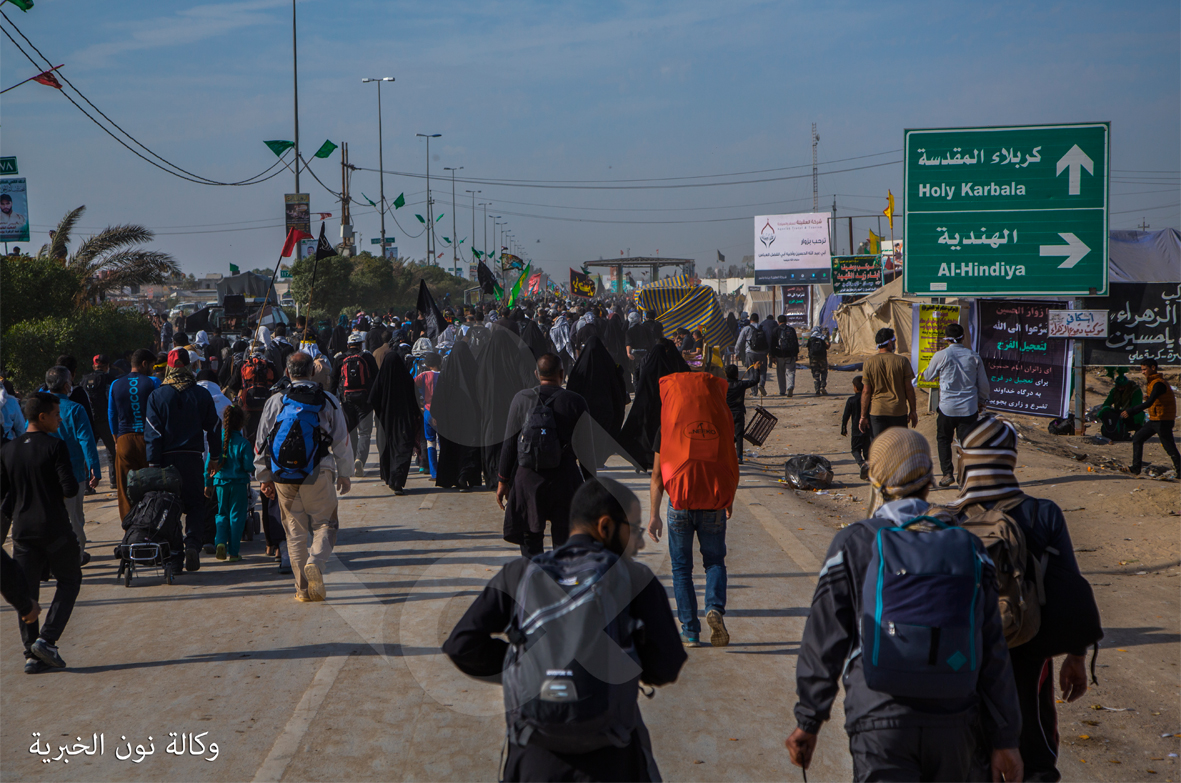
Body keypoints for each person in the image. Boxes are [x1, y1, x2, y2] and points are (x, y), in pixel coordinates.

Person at [786, 427, 1023, 783]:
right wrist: (1005, 739)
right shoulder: (968, 547)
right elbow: (992, 648)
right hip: (955, 721)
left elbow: (824, 640)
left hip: (879, 720)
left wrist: (808, 721)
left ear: (876, 478)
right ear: (928, 480)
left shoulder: (854, 543)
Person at [443, 477, 686, 782]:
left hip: (534, 760)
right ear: (606, 526)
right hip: (612, 758)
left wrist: (529, 662)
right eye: (633, 530)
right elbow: (667, 665)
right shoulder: (635, 578)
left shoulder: (519, 574)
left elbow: (461, 645)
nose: (637, 543)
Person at [942, 414, 1099, 781]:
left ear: (965, 460)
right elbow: (1069, 593)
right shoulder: (1042, 514)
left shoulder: (947, 521)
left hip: (963, 660)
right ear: (1010, 460)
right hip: (1028, 655)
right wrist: (1076, 657)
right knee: (1034, 753)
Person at [647, 371, 739, 648]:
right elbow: (728, 461)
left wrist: (653, 515)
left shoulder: (668, 425)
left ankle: (690, 631)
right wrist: (729, 498)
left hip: (680, 504)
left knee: (681, 569)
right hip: (713, 502)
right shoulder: (720, 421)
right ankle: (714, 607)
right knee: (714, 562)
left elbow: (657, 476)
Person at [255, 353, 352, 601]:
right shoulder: (327, 400)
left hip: (283, 476)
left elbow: (261, 442)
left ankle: (302, 590)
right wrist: (345, 474)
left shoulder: (276, 400)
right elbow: (342, 439)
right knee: (325, 524)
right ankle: (316, 562)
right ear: (312, 371)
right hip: (319, 470)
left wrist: (264, 477)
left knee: (294, 532)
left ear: (287, 372)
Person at [1, 392, 82, 673]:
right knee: (70, 580)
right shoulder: (55, 446)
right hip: (54, 529)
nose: (60, 419)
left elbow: (4, 493)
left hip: (23, 530)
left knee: (27, 591)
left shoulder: (8, 450)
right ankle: (46, 640)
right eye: (57, 415)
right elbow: (69, 488)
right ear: (42, 416)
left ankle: (31, 655)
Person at [497, 353, 590, 557]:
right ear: (562, 374)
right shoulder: (576, 401)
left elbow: (509, 443)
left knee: (530, 538)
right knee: (565, 541)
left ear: (536, 374)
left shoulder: (521, 399)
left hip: (528, 480)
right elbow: (586, 451)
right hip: (565, 480)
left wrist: (503, 480)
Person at [145, 348, 221, 573]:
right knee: (196, 504)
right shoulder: (201, 394)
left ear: (169, 367)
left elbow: (152, 433)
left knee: (169, 507)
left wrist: (153, 465)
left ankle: (175, 557)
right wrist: (215, 457)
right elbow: (214, 427)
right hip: (193, 459)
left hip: (165, 462)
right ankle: (193, 545)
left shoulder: (157, 396)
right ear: (189, 366)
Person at [921, 322, 991, 487]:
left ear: (946, 339)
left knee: (943, 439)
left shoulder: (941, 355)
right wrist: (982, 401)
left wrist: (933, 364)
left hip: (947, 407)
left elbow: (928, 376)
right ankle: (963, 475)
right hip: (969, 408)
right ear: (963, 337)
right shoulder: (973, 356)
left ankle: (947, 474)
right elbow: (984, 384)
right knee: (966, 443)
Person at [44, 366, 100, 563]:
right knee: (74, 518)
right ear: (67, 385)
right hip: (74, 474)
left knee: (51, 519)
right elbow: (86, 441)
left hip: (47, 475)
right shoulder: (76, 409)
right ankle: (75, 557)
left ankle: (54, 559)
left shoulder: (40, 410)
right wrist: (94, 468)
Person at [108, 348, 159, 520]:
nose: (152, 370)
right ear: (144, 364)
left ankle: (128, 526)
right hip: (148, 440)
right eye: (152, 366)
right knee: (151, 486)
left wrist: (116, 440)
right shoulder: (153, 382)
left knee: (124, 489)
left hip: (124, 440)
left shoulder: (115, 384)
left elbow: (112, 414)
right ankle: (149, 522)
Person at [565, 335, 628, 468]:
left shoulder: (580, 367)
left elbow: (572, 387)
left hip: (585, 409)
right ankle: (599, 461)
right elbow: (618, 386)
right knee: (602, 435)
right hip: (605, 408)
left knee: (586, 435)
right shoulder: (608, 365)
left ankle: (586, 460)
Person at [369, 342, 421, 496]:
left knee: (387, 449)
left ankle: (391, 478)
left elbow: (372, 398)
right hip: (403, 420)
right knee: (402, 448)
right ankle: (397, 480)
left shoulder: (381, 379)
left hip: (385, 421)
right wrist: (416, 414)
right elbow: (415, 398)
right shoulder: (406, 378)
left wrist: (380, 412)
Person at [432, 340, 485, 491]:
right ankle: (465, 476)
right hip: (471, 419)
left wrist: (436, 415)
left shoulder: (447, 373)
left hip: (450, 421)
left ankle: (453, 477)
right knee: (468, 447)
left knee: (451, 448)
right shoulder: (474, 371)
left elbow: (438, 398)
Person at [205, 404, 254, 562]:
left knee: (221, 514)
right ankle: (234, 553)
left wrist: (207, 483)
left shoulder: (218, 442)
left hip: (220, 483)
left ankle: (220, 542)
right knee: (237, 517)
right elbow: (248, 466)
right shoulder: (244, 443)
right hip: (238, 484)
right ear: (241, 423)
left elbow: (209, 465)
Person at [1121, 357, 1180, 476]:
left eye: (1144, 369)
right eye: (1142, 370)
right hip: (1155, 419)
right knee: (1138, 438)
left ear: (1153, 368)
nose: (1143, 372)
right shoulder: (1153, 382)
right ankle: (1136, 468)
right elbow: (1155, 399)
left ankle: (1180, 470)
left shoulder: (1159, 383)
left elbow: (1149, 403)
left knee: (1169, 446)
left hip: (1163, 420)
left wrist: (1131, 411)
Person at [859, 327, 918, 438]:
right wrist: (913, 411)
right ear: (890, 342)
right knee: (898, 444)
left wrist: (863, 416)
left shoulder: (869, 363)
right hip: (898, 411)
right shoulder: (902, 361)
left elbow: (866, 392)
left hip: (877, 411)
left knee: (879, 445)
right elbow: (909, 389)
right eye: (894, 341)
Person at [338, 332, 379, 477]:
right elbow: (376, 378)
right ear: (361, 344)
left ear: (348, 345)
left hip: (346, 400)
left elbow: (334, 380)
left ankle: (352, 459)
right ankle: (360, 459)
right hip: (364, 400)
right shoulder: (367, 357)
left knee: (351, 432)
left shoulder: (340, 358)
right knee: (365, 432)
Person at [81, 355, 119, 488]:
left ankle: (87, 485)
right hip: (105, 420)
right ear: (107, 366)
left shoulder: (84, 380)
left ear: (94, 366)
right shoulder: (110, 379)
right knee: (113, 451)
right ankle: (114, 481)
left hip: (90, 420)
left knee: (88, 452)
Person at [726, 362, 761, 464]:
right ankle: (739, 457)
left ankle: (726, 454)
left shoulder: (723, 385)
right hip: (739, 413)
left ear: (726, 375)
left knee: (727, 434)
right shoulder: (741, 384)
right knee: (739, 435)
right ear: (737, 374)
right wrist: (756, 369)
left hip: (727, 414)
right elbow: (755, 381)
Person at [414, 353, 442, 480]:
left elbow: (412, 384)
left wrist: (419, 402)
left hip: (428, 412)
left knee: (430, 442)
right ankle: (444, 470)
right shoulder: (444, 375)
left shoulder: (424, 376)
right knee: (442, 442)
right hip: (442, 414)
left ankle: (434, 473)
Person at [840, 376, 872, 480]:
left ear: (855, 387)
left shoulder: (851, 400)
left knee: (855, 450)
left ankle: (862, 464)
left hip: (856, 429)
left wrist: (843, 427)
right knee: (867, 451)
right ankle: (869, 470)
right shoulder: (870, 399)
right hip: (868, 429)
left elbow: (846, 415)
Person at [1097, 369, 1143, 442]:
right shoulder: (1114, 391)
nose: (1121, 389)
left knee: (1139, 415)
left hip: (1132, 412)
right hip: (1119, 411)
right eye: (1119, 387)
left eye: (1123, 387)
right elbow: (1107, 402)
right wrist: (1106, 410)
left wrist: (1127, 412)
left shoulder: (1135, 391)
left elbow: (1136, 405)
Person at [736, 313, 770, 396]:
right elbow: (768, 340)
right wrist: (767, 352)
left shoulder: (746, 328)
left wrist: (737, 352)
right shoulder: (763, 328)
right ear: (758, 320)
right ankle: (761, 385)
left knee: (751, 371)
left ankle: (754, 391)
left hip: (750, 353)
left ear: (750, 320)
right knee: (763, 370)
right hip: (762, 353)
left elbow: (740, 341)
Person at [770, 316, 799, 397]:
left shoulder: (776, 330)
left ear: (778, 322)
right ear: (786, 321)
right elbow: (796, 343)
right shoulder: (791, 330)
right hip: (790, 354)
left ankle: (782, 391)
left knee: (781, 373)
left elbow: (772, 344)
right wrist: (796, 354)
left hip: (779, 354)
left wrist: (772, 356)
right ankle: (790, 386)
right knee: (790, 371)